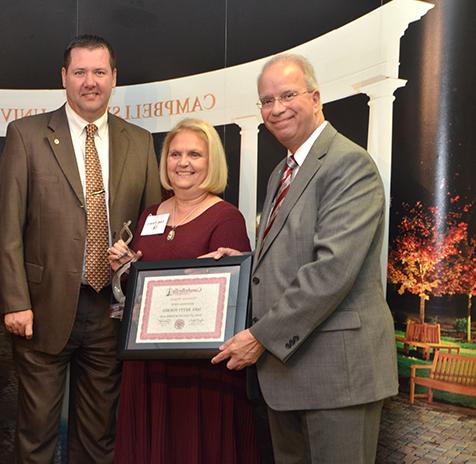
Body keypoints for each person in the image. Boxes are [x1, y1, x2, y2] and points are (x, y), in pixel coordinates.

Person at [209, 54, 398, 463]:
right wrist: (244, 262)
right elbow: (291, 252)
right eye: (266, 100)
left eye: (288, 95)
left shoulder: (349, 164)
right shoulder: (283, 171)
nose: (276, 109)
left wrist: (259, 338)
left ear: (315, 98)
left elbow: (331, 271)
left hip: (337, 376)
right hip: (288, 374)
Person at [0, 34, 161, 463]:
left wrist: (135, 260)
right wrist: (14, 301)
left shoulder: (140, 142)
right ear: (64, 77)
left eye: (100, 72)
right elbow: (7, 224)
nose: (91, 82)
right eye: (81, 72)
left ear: (114, 78)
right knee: (36, 438)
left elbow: (151, 226)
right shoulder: (26, 135)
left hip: (112, 312)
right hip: (41, 310)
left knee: (99, 438)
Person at [107, 118, 259, 464]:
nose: (183, 162)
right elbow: (140, 290)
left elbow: (237, 300)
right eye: (175, 154)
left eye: (195, 154)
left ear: (212, 162)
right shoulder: (148, 216)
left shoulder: (227, 218)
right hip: (147, 368)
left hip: (199, 374)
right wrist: (125, 267)